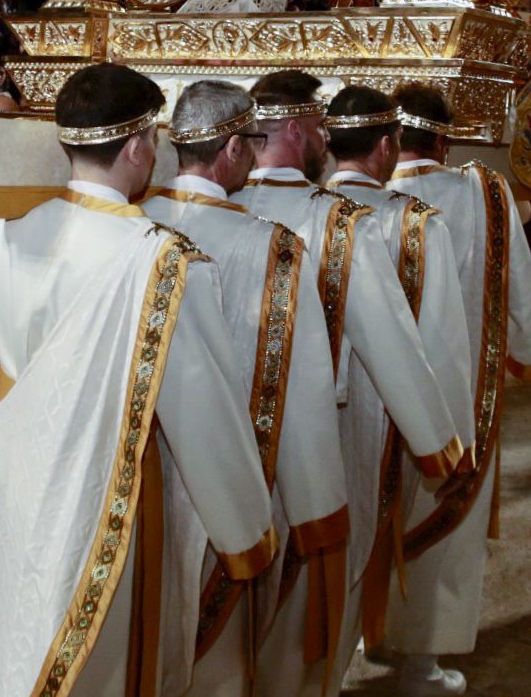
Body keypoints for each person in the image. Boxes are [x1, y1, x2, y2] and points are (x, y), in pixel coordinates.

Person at [0, 63, 274, 697]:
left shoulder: (3, 234)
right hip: (103, 474)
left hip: (18, 464)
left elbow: (7, 348)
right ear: (137, 147)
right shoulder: (159, 259)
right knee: (101, 651)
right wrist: (245, 525)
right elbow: (203, 410)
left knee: (28, 627)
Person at [237, 70, 466, 697]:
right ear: (295, 128)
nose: (323, 137)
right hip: (333, 429)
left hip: (226, 432)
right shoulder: (344, 224)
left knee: (232, 578)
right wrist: (438, 441)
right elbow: (393, 343)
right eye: (316, 124)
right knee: (319, 574)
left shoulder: (217, 206)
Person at [140, 81, 349, 697]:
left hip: (139, 476)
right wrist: (318, 502)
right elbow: (305, 391)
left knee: (148, 627)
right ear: (233, 149)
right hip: (232, 474)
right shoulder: (273, 248)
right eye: (252, 143)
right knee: (220, 646)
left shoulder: (133, 223)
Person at [383, 84, 531, 688]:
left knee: (377, 510)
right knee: (442, 519)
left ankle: (364, 635)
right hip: (457, 394)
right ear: (445, 139)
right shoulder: (483, 192)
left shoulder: (358, 193)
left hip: (372, 395)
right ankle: (419, 661)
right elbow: (521, 285)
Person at [317, 86, 475, 694]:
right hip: (385, 421)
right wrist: (447, 437)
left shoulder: (292, 210)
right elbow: (437, 350)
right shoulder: (414, 223)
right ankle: (406, 663)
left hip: (296, 421)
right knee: (371, 537)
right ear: (387, 146)